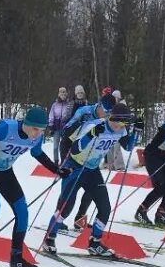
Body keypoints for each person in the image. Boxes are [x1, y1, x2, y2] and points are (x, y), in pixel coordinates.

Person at [0, 106, 65, 267]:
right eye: (35, 129)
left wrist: (57, 170)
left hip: (5, 173)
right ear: (26, 123)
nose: (37, 134)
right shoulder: (7, 129)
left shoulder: (36, 137)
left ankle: (16, 258)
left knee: (22, 212)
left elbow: (38, 153)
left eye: (41, 130)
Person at [44, 103, 137, 256]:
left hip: (92, 170)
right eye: (120, 123)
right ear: (112, 118)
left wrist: (137, 132)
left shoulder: (122, 129)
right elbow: (75, 149)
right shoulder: (94, 125)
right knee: (65, 207)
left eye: (125, 124)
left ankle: (95, 242)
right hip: (75, 166)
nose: (121, 127)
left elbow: (129, 146)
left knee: (105, 207)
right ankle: (49, 237)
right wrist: (91, 134)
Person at [61, 94, 117, 228]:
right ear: (99, 105)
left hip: (90, 154)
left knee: (91, 188)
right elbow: (66, 131)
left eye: (109, 112)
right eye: (105, 110)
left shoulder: (107, 119)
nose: (106, 114)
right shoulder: (83, 111)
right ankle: (59, 217)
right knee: (69, 186)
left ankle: (80, 218)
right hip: (70, 147)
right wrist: (80, 123)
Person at [48, 87, 71, 160]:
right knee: (55, 146)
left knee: (64, 146)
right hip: (56, 127)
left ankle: (64, 161)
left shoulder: (69, 104)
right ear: (59, 94)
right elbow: (51, 115)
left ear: (66, 94)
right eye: (61, 93)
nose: (63, 94)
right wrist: (50, 125)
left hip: (65, 127)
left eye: (64, 93)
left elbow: (70, 115)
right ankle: (56, 161)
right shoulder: (55, 104)